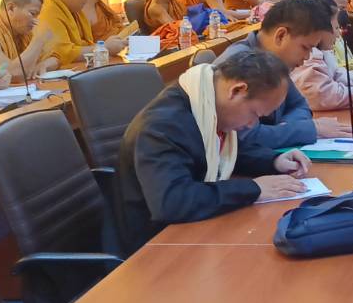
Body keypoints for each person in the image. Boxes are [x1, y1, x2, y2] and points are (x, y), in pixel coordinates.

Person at [115, 49, 316, 248]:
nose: (252, 125)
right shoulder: (162, 126)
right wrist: (254, 189)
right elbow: (172, 202)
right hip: (153, 245)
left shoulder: (207, 100)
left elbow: (224, 150)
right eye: (255, 114)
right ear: (237, 91)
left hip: (192, 231)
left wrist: (273, 161)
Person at [221, 0, 353, 151]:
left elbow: (300, 105)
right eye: (305, 48)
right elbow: (245, 139)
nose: (307, 57)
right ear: (281, 36)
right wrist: (308, 129)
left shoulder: (276, 62)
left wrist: (284, 130)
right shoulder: (238, 64)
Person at [295, 4, 353, 111]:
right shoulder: (309, 57)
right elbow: (331, 97)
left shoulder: (324, 52)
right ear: (319, 30)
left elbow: (340, 75)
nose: (338, 35)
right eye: (336, 28)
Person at [38, 0, 119, 65]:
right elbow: (62, 53)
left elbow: (84, 44)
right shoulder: (48, 11)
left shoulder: (74, 9)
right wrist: (104, 48)